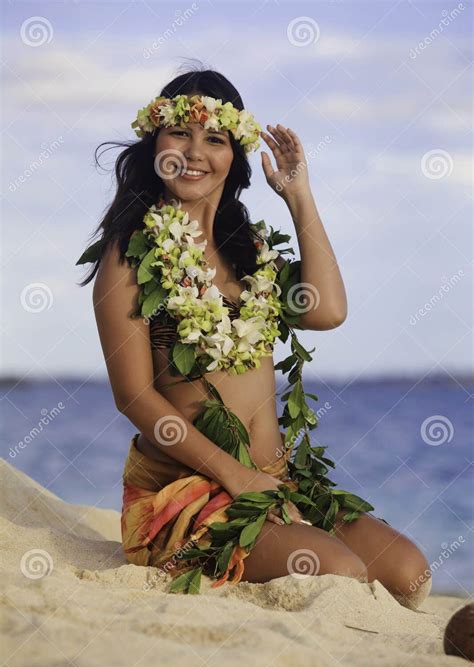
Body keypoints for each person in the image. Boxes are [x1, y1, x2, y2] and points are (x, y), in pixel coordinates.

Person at [77, 66, 431, 607]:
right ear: (155, 142)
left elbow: (328, 311)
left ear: (234, 156)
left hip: (275, 480)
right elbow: (135, 397)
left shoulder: (253, 256)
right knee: (341, 575)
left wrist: (298, 197)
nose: (194, 152)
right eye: (180, 133)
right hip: (188, 493)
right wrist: (237, 479)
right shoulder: (130, 257)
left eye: (214, 139)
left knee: (410, 574)